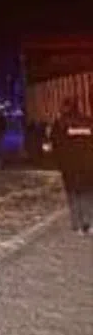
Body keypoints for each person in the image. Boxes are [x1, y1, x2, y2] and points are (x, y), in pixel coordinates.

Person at [52, 98, 93, 235]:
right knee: (87, 194)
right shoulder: (88, 122)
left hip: (69, 166)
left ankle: (77, 225)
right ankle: (90, 223)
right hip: (87, 165)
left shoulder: (60, 124)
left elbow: (55, 145)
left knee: (73, 195)